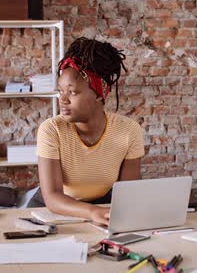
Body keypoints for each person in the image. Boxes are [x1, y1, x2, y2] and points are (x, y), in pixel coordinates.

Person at [32, 37, 144, 226]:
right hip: (54, 209)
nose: (63, 100)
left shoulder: (129, 131)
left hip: (103, 207)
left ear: (100, 94)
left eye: (72, 92)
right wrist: (92, 212)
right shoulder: (51, 130)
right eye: (61, 91)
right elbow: (52, 197)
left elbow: (127, 194)